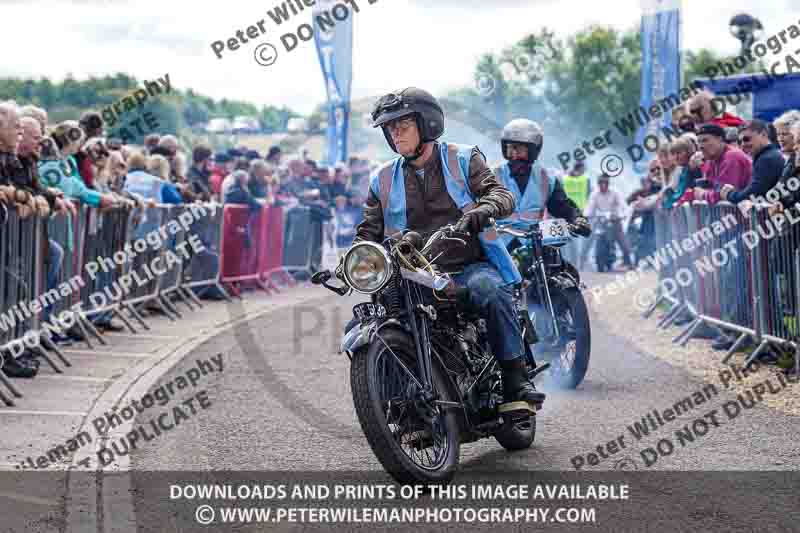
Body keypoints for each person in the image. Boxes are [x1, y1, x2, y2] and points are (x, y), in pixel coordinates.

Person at [355, 87, 544, 412]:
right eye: (389, 128)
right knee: (365, 325)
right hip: (412, 275)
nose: (394, 133)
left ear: (426, 123)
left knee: (491, 290)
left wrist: (481, 211)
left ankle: (515, 378)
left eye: (402, 125)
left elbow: (501, 194)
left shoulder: (462, 158)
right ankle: (395, 404)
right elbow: (367, 234)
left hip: (466, 265)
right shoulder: (382, 179)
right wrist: (355, 262)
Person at [492, 119, 589, 252]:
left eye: (519, 149)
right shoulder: (491, 175)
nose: (513, 154)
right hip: (499, 244)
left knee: (563, 270)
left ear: (532, 150)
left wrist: (577, 219)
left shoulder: (547, 178)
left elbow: (562, 205)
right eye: (509, 148)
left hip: (535, 243)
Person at [720, 119, 784, 205]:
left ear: (763, 135)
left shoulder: (767, 159)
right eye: (740, 141)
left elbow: (753, 195)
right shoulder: (767, 156)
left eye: (747, 139)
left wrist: (730, 194)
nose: (743, 144)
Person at [581, 174, 632, 270]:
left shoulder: (615, 192)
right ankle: (581, 262)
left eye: (606, 183)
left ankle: (628, 262)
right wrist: (586, 215)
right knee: (587, 240)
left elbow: (623, 205)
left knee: (622, 241)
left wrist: (623, 214)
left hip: (615, 219)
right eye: (601, 183)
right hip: (600, 221)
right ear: (598, 183)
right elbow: (589, 207)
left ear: (608, 183)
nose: (603, 185)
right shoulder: (594, 194)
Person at [692, 124, 752, 204]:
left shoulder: (732, 157)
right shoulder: (712, 159)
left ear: (720, 139)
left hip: (750, 212)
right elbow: (710, 188)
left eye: (705, 140)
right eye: (698, 142)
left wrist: (703, 194)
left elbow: (721, 195)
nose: (701, 146)